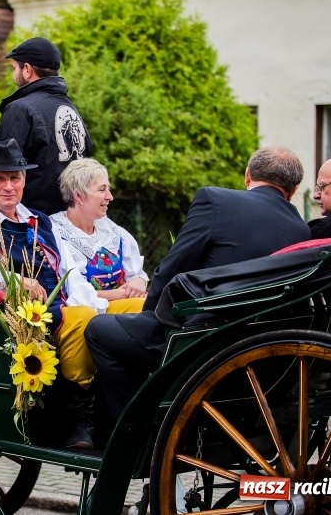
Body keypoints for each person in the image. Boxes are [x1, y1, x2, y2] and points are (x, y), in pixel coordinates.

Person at [0, 138, 137, 450]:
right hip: (23, 319)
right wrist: (11, 280)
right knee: (79, 318)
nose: (8, 186)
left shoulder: (39, 222)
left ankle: (133, 405)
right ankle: (78, 422)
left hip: (65, 309)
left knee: (137, 309)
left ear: (24, 180)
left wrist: (100, 306)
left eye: (15, 178)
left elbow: (70, 275)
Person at [85, 146, 312, 420]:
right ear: (294, 189)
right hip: (263, 349)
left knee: (99, 329)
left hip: (200, 341)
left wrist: (150, 315)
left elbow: (174, 266)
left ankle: (134, 428)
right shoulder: (301, 230)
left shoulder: (216, 200)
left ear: (247, 175)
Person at [0, 37, 93, 215]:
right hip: (71, 218)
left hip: (33, 222)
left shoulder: (20, 109)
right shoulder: (71, 109)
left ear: (27, 69)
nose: (13, 76)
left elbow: (4, 169)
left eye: (14, 69)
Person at [50, 158, 149, 306]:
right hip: (89, 317)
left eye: (108, 189)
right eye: (102, 189)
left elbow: (136, 273)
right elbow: (69, 292)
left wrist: (139, 281)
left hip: (125, 308)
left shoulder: (110, 229)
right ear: (78, 196)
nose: (110, 196)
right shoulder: (55, 232)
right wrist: (118, 294)